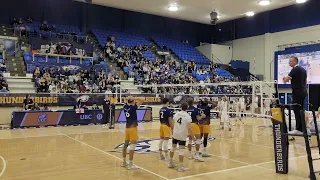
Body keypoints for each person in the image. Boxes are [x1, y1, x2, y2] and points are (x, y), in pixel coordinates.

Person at [283, 56, 307, 135]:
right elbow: (305, 81)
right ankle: (303, 128)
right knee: (301, 110)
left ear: (295, 62)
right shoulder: (303, 70)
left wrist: (284, 79)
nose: (289, 63)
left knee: (296, 109)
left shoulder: (295, 69)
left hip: (297, 92)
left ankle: (298, 129)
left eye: (290, 61)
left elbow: (286, 80)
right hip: (303, 91)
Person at [168, 102, 194, 172]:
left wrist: (173, 130)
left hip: (175, 133)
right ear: (187, 108)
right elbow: (189, 128)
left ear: (181, 107)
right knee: (181, 150)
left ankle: (170, 163)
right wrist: (193, 136)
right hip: (182, 134)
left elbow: (172, 122)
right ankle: (180, 166)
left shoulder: (176, 114)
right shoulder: (187, 116)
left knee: (173, 148)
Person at [122, 96, 144, 170]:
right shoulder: (133, 107)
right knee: (132, 147)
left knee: (125, 145)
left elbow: (126, 100)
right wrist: (135, 97)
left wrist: (130, 99)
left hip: (127, 128)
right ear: (133, 101)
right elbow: (142, 99)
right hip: (133, 128)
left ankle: (124, 162)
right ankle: (130, 164)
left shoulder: (124, 106)